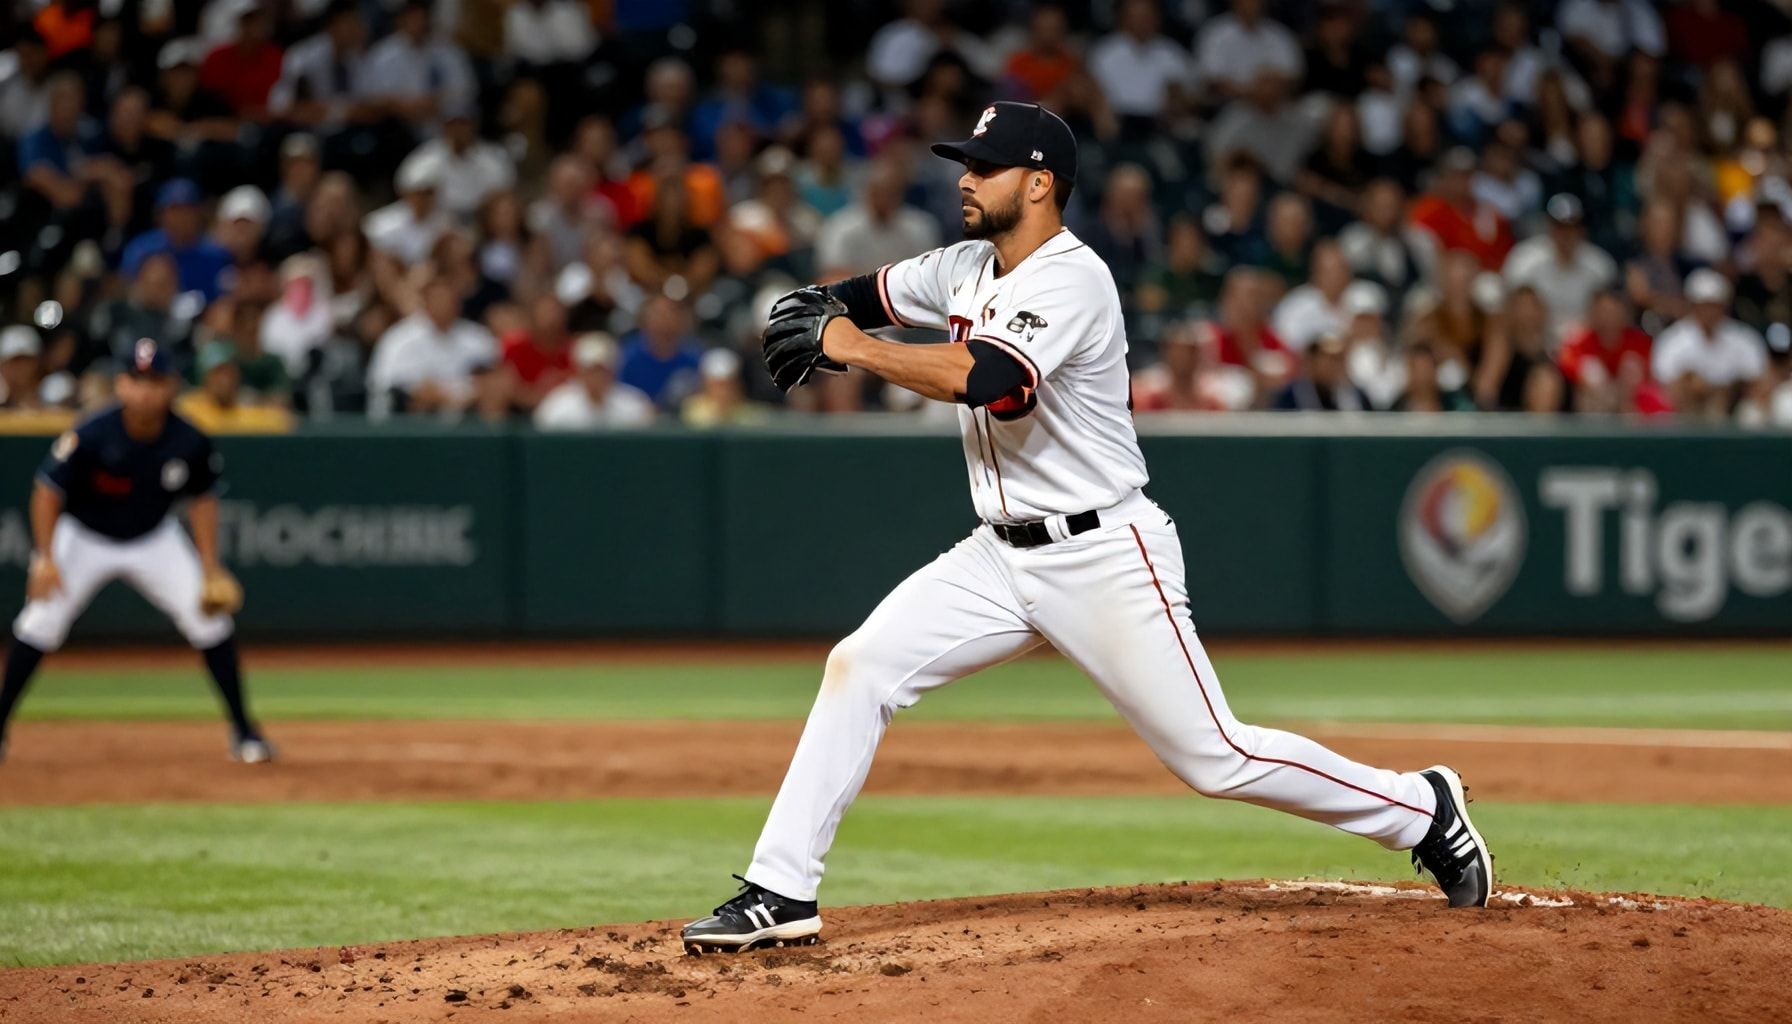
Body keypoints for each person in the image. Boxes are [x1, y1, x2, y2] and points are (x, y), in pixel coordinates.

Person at [681, 101, 1492, 954]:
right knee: (861, 665)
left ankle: (1422, 807)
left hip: (1104, 553)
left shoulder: (1074, 276)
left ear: (1038, 183)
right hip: (997, 557)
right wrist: (810, 305)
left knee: (1214, 756)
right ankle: (781, 891)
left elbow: (989, 377)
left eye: (983, 166)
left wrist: (850, 347)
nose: (964, 177)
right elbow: (855, 294)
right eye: (965, 162)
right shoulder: (964, 264)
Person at [0, 339, 271, 765]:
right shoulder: (92, 432)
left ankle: (244, 731)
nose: (145, 391)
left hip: (152, 537)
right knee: (40, 623)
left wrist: (209, 563)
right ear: (121, 385)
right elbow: (47, 491)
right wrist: (45, 557)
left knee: (209, 620)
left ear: (171, 387)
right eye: (136, 381)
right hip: (85, 537)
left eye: (155, 382)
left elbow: (203, 499)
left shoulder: (190, 439)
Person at [1651, 269, 1769, 417]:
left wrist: (1724, 390)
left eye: (1715, 305)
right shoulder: (1672, 340)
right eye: (1704, 305)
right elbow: (1665, 385)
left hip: (1734, 410)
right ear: (1692, 305)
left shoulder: (1744, 338)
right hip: (1686, 412)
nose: (1710, 312)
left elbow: (1759, 381)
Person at [532, 333, 656, 429]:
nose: (597, 377)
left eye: (602, 370)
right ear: (579, 371)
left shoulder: (634, 405)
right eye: (591, 370)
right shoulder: (557, 406)